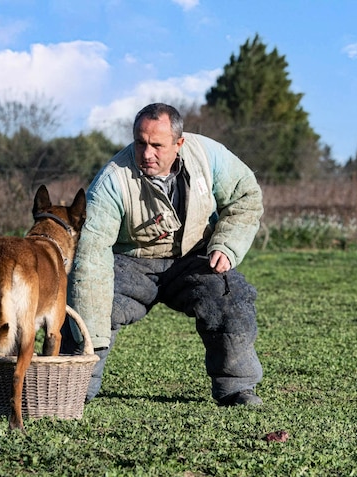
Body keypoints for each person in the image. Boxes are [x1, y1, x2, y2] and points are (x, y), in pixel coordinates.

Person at [64, 103, 264, 406]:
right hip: (131, 261)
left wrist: (226, 245)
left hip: (194, 257)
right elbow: (92, 257)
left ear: (179, 144)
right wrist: (89, 317)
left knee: (230, 297)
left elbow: (245, 194)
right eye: (140, 143)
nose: (146, 153)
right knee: (89, 302)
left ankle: (236, 389)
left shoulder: (207, 156)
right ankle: (73, 389)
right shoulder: (111, 181)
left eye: (157, 145)